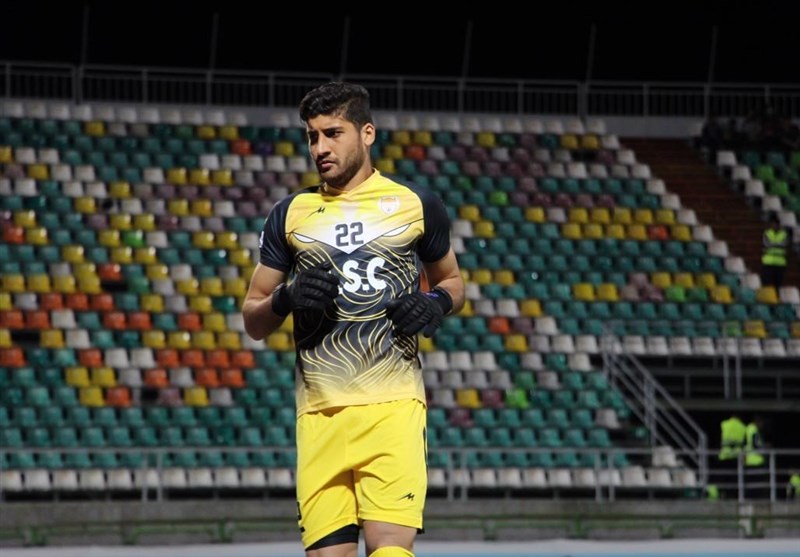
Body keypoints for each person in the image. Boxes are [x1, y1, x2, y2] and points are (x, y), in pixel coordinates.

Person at [242, 82, 465, 557]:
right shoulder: (290, 214)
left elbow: (453, 282)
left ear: (367, 133)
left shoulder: (417, 204)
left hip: (393, 408)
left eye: (332, 133)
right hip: (318, 415)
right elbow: (253, 319)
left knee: (390, 551)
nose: (319, 148)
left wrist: (435, 303)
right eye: (312, 136)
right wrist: (286, 298)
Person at [761, 215, 788, 289]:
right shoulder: (767, 233)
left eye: (775, 224)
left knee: (778, 284)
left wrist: (773, 243)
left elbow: (784, 244)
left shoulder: (784, 234)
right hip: (768, 262)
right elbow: (766, 244)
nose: (774, 226)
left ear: (778, 225)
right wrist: (777, 244)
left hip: (780, 263)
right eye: (772, 224)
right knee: (767, 283)